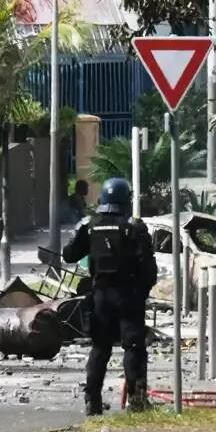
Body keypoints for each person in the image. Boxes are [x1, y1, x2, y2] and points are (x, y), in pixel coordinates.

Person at [62, 178, 157, 416]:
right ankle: (137, 400)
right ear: (126, 200)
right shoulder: (133, 228)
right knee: (133, 348)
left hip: (100, 297)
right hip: (128, 296)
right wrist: (141, 294)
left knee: (100, 349)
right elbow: (149, 270)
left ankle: (92, 401)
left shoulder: (90, 226)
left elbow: (69, 254)